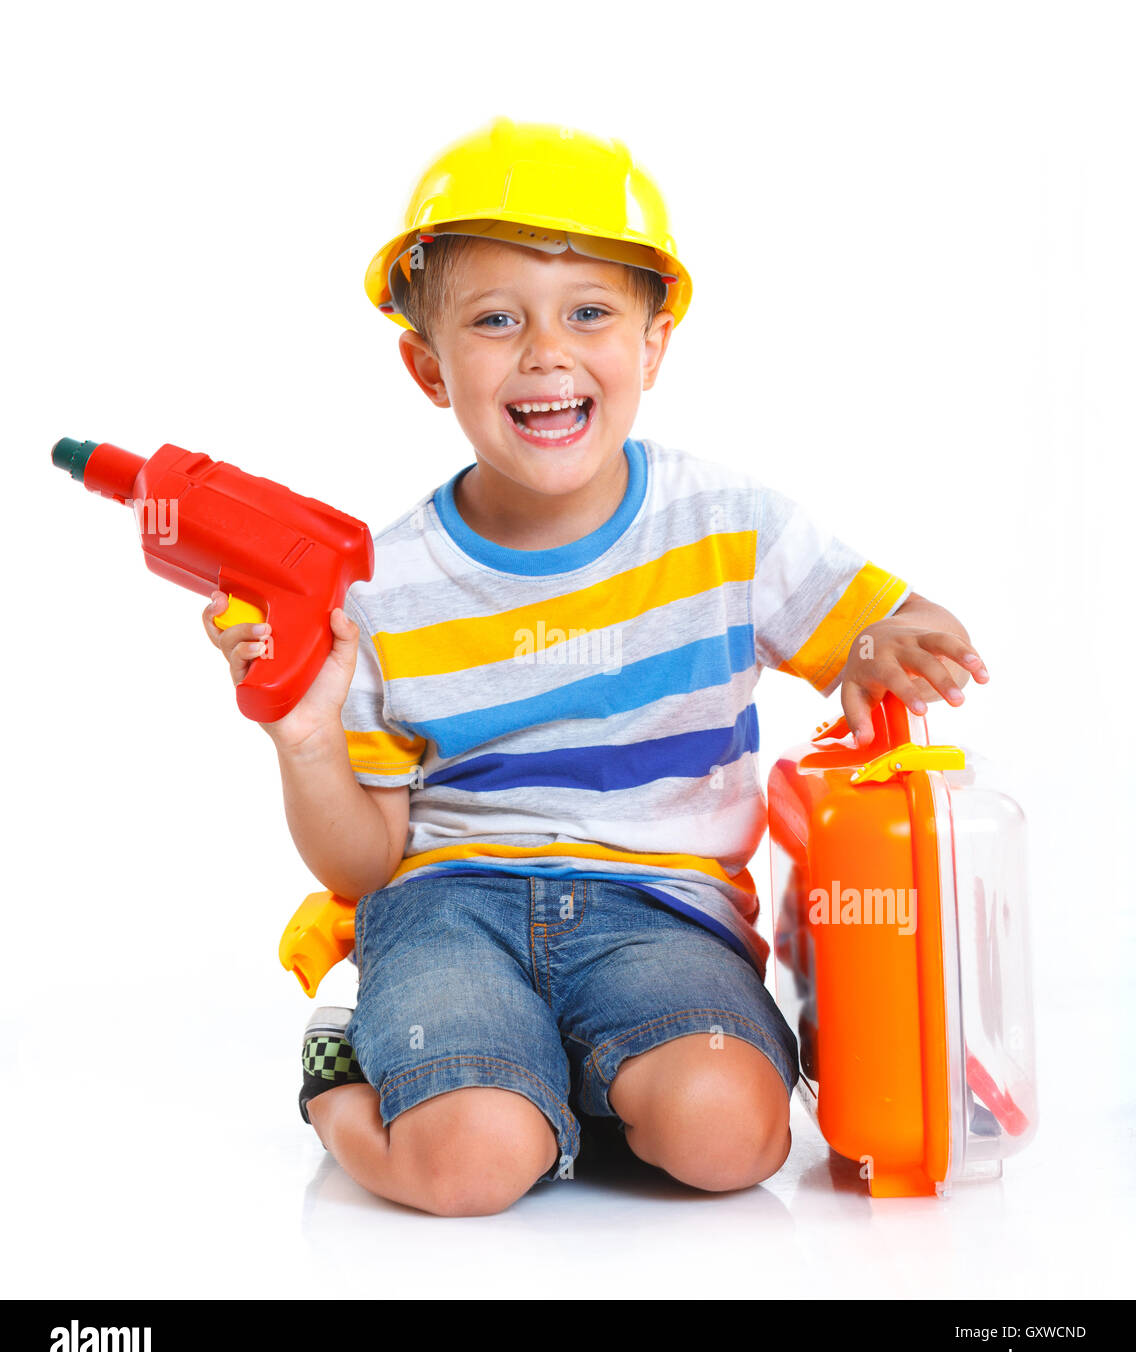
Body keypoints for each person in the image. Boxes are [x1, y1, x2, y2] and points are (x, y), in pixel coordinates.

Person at [203, 118, 988, 1217]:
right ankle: (350, 1062)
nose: (544, 352)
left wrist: (884, 643)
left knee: (731, 1138)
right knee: (469, 1164)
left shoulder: (727, 528)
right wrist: (301, 735)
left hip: (662, 914)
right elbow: (362, 860)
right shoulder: (377, 587)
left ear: (653, 344)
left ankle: (565, 1085)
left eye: (587, 314)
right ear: (427, 365)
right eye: (492, 321)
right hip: (447, 908)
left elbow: (888, 621)